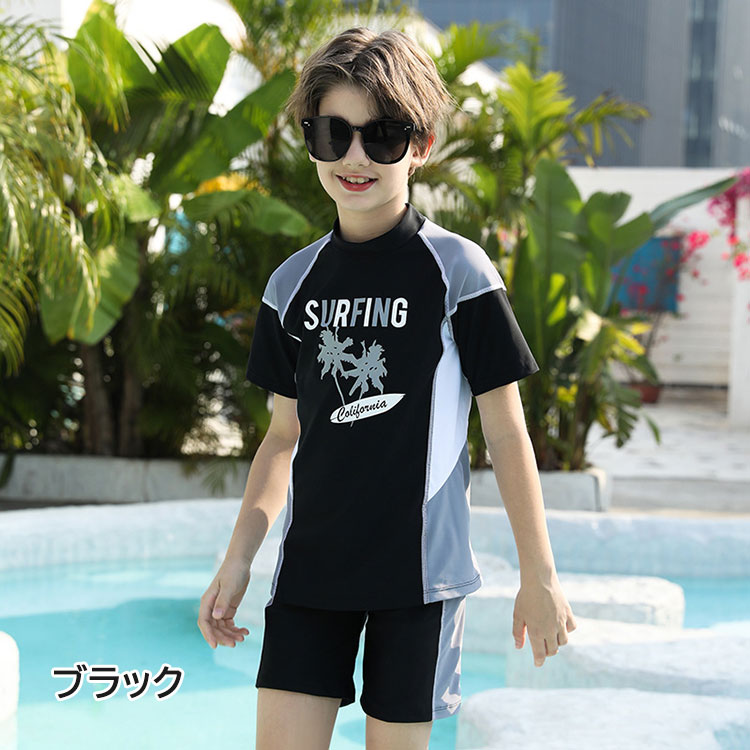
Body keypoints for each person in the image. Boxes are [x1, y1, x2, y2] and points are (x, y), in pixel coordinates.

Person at [197, 25, 577, 750]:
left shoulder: (459, 273)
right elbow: (281, 438)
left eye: (383, 136)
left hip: (419, 581)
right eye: (333, 133)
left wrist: (541, 575)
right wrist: (239, 558)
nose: (355, 157)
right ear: (311, 141)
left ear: (421, 144)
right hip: (311, 575)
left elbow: (506, 434)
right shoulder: (291, 285)